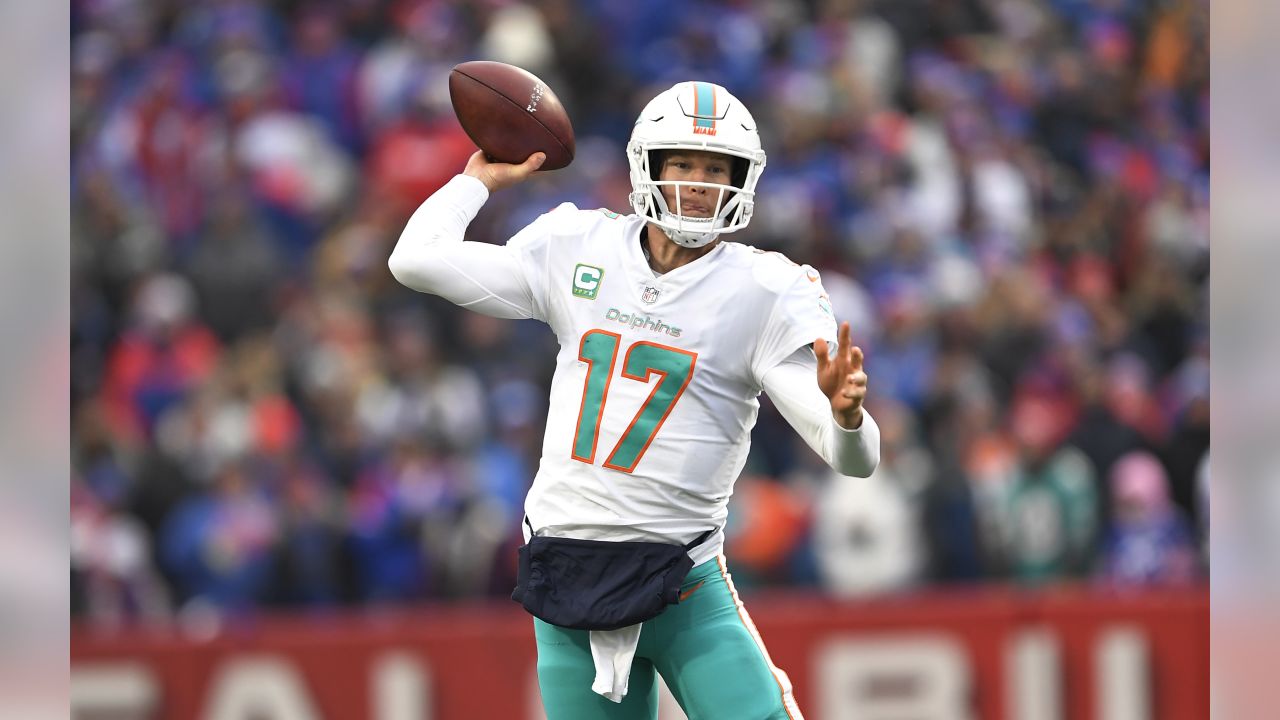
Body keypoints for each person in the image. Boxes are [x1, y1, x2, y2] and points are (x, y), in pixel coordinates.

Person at [388, 81, 880, 720]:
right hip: (566, 573)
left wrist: (845, 416)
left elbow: (856, 459)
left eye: (715, 168)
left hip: (683, 581)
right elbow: (414, 260)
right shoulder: (578, 245)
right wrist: (475, 182)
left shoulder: (763, 288)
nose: (699, 182)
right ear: (647, 165)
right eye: (683, 163)